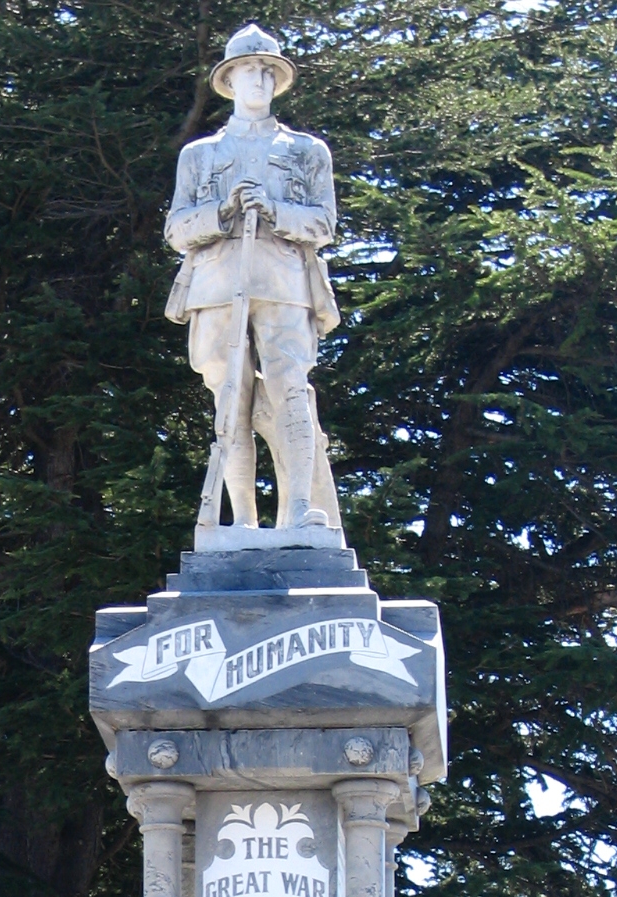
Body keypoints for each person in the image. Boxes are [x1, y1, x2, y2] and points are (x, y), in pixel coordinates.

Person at [165, 23, 342, 531]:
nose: (259, 80)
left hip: (286, 281)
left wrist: (277, 211)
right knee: (231, 397)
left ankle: (302, 513)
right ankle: (242, 521)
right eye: (249, 71)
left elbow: (323, 223)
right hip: (217, 285)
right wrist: (221, 211)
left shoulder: (307, 151)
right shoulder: (200, 155)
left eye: (268, 71)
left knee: (291, 390)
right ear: (230, 81)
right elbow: (177, 229)